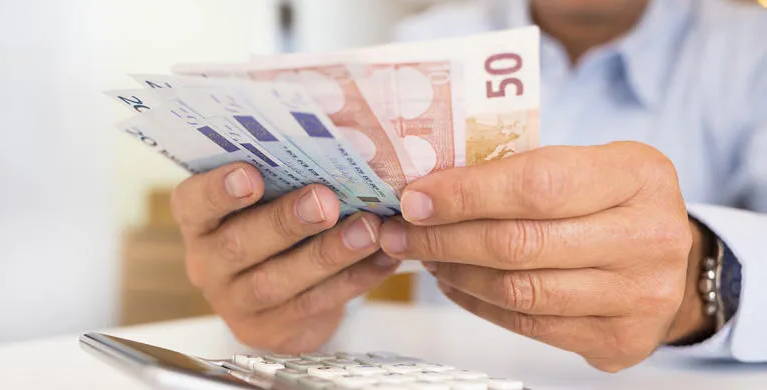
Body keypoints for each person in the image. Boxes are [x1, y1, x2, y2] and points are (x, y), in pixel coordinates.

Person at [169, 0, 767, 372]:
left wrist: (708, 280)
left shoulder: (751, 50)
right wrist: (293, 309)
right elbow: (352, 245)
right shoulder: (420, 43)